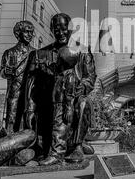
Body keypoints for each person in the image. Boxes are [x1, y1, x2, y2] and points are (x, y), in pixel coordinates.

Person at [25, 13, 96, 165]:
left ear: (70, 29)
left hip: (72, 99)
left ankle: (76, 146)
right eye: (57, 29)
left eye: (65, 28)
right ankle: (49, 149)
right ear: (52, 30)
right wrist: (30, 109)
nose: (61, 32)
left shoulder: (82, 50)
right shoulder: (41, 53)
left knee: (83, 103)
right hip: (48, 101)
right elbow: (32, 84)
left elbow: (90, 78)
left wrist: (78, 88)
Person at [0, 21, 35, 133]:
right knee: (12, 119)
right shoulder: (9, 53)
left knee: (28, 120)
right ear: (18, 33)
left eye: (31, 32)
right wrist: (7, 71)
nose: (30, 35)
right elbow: (2, 72)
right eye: (27, 32)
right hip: (14, 92)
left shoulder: (35, 53)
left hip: (30, 93)